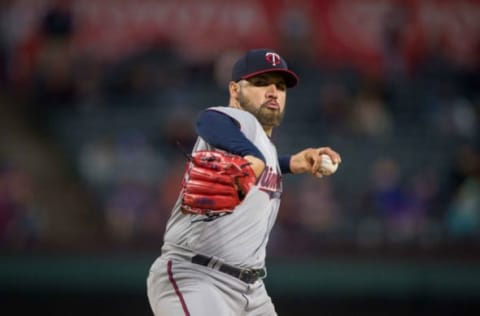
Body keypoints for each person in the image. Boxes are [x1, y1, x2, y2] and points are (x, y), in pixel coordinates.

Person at [146, 48, 342, 316]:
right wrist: (254, 156)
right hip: (197, 278)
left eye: (281, 86)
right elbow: (208, 120)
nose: (273, 92)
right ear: (235, 90)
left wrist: (291, 163)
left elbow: (263, 163)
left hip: (252, 291)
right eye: (261, 84)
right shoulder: (238, 121)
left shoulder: (263, 148)